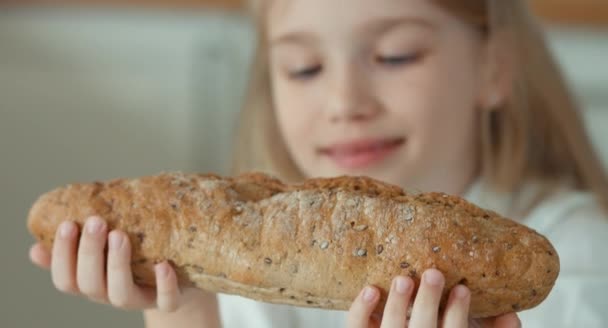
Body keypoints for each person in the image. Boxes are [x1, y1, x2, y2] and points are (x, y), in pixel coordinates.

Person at [29, 0, 608, 327]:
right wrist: (182, 299)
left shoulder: (578, 254)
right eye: (304, 67)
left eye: (395, 54)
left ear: (494, 68)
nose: (344, 102)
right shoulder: (259, 269)